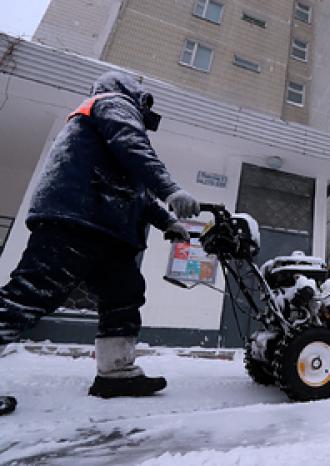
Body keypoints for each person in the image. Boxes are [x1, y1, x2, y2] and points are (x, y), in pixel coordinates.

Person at [0, 71, 199, 399]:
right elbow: (133, 146)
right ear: (131, 91)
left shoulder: (105, 118)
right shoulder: (112, 102)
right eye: (144, 99)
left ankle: (116, 373)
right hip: (75, 218)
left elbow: (137, 192)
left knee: (124, 294)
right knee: (31, 294)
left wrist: (168, 223)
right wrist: (172, 189)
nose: (146, 106)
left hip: (108, 229)